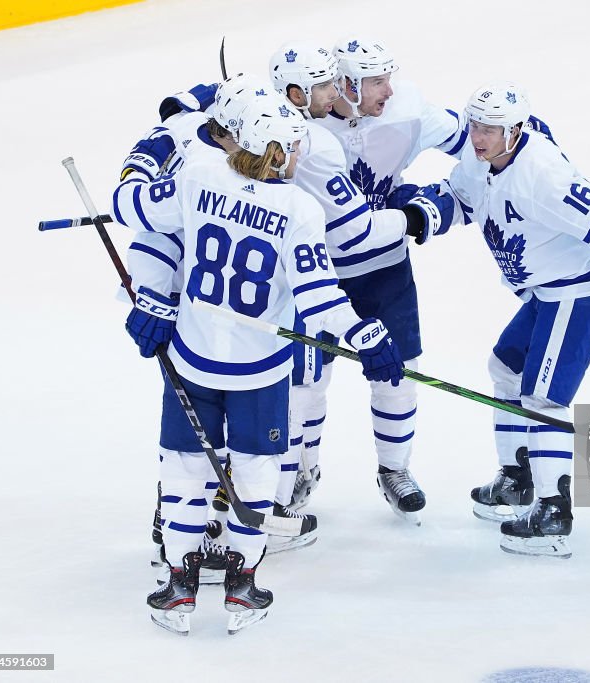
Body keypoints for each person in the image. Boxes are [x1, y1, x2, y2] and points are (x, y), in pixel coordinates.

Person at [114, 94, 405, 634]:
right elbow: (318, 296)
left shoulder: (198, 178)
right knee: (253, 473)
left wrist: (145, 160)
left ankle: (178, 584)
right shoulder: (300, 208)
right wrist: (365, 334)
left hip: (193, 358)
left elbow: (132, 210)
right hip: (261, 371)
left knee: (183, 471)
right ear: (280, 151)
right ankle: (242, 587)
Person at [405, 83, 590, 558]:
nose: (479, 137)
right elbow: (463, 195)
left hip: (582, 290)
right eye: (475, 125)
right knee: (506, 368)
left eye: (491, 129)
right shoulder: (480, 158)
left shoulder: (544, 174)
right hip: (548, 290)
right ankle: (519, 477)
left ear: (514, 131)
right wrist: (425, 213)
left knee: (543, 397)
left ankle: (554, 509)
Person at [295, 36, 467, 523]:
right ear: (343, 84)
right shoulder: (301, 127)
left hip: (385, 268)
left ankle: (394, 470)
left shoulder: (406, 107)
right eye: (376, 81)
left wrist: (533, 156)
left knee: (398, 373)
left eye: (388, 77)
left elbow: (479, 141)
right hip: (316, 272)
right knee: (306, 385)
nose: (388, 90)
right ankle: (302, 474)